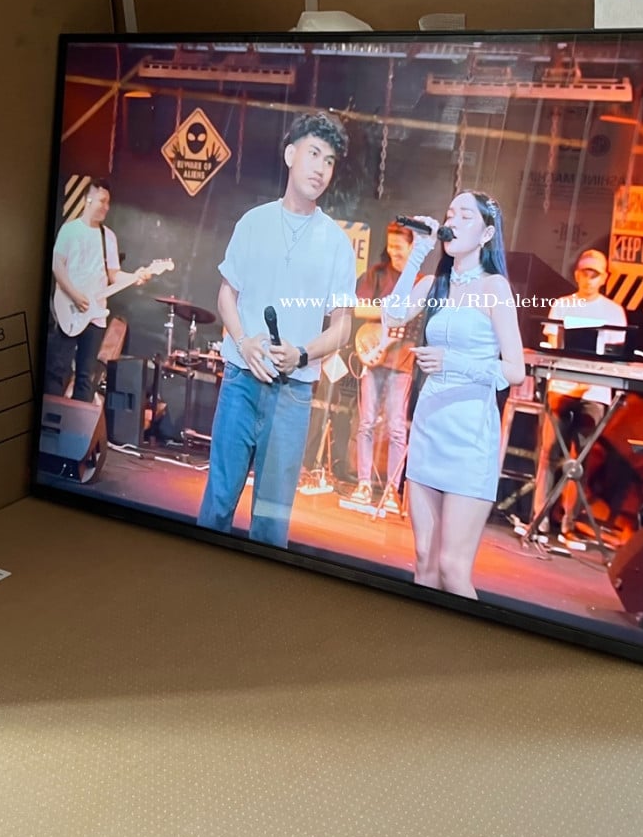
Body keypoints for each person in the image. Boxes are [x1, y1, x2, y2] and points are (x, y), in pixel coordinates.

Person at [197, 111, 356, 547]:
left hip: (293, 393)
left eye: (329, 161)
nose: (320, 168)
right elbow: (226, 294)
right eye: (313, 154)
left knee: (270, 521)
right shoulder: (254, 222)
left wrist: (302, 353)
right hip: (240, 381)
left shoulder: (337, 243)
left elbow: (343, 327)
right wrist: (243, 340)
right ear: (290, 155)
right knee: (217, 504)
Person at [384, 192, 525, 599]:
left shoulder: (495, 288)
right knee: (424, 559)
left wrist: (455, 362)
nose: (452, 222)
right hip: (429, 428)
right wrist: (419, 252)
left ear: (486, 233)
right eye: (449, 214)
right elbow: (392, 315)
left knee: (452, 567)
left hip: (469, 436)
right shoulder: (435, 284)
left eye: (465, 216)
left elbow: (515, 370)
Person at [532, 248, 628, 544]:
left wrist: (586, 384)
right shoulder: (562, 305)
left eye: (594, 274)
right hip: (561, 388)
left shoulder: (614, 312)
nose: (589, 279)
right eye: (584, 273)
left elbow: (615, 356)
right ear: (576, 275)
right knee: (549, 454)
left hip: (594, 392)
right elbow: (551, 344)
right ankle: (539, 520)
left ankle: (568, 524)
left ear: (604, 278)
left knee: (580, 459)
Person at [45, 179, 152, 402]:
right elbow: (57, 265)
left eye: (108, 202)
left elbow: (114, 274)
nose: (106, 207)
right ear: (88, 200)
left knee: (86, 376)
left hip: (95, 315)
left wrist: (135, 277)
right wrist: (75, 295)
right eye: (102, 201)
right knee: (57, 370)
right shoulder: (70, 230)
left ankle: (77, 423)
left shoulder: (108, 237)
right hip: (69, 309)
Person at [350, 222, 417, 511]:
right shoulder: (377, 273)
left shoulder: (419, 281)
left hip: (402, 361)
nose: (394, 252)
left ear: (413, 247)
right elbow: (358, 307)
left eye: (399, 247)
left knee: (396, 427)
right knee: (366, 422)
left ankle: (391, 489)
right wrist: (389, 311)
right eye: (390, 246)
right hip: (372, 353)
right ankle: (363, 484)